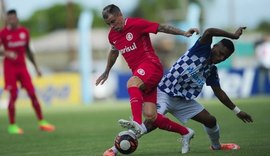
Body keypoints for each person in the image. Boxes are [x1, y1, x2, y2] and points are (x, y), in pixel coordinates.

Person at [103, 27, 253, 156]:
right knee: (151, 123)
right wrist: (233, 36)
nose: (219, 57)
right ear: (213, 47)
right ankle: (114, 150)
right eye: (219, 52)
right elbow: (209, 31)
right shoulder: (201, 49)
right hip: (164, 92)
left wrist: (237, 111)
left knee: (211, 120)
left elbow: (219, 92)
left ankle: (216, 146)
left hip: (183, 101)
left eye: (223, 57)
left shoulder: (211, 70)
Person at [96, 4, 199, 154]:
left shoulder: (136, 24)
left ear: (120, 15)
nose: (112, 26)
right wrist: (106, 71)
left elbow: (162, 28)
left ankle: (136, 123)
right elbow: (114, 52)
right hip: (142, 75)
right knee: (151, 117)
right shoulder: (112, 35)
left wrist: (184, 33)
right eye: (108, 24)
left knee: (132, 83)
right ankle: (186, 132)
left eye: (113, 21)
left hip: (151, 65)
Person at [0, 9, 55, 134]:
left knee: (32, 93)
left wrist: (36, 68)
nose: (11, 21)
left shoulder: (24, 32)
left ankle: (42, 122)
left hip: (22, 67)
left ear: (17, 18)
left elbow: (28, 51)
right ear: (7, 20)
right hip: (9, 68)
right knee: (13, 95)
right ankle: (12, 125)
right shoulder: (3, 33)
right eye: (9, 19)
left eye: (13, 18)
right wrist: (5, 52)